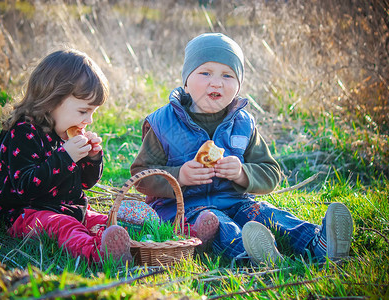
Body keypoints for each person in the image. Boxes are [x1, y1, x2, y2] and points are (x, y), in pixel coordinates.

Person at [130, 33, 354, 265]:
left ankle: (318, 243)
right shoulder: (164, 122)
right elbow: (141, 176)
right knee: (218, 223)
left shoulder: (243, 124)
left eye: (227, 75)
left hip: (236, 201)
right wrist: (180, 176)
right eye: (205, 73)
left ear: (238, 86)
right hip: (184, 209)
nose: (216, 82)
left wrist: (241, 173)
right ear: (186, 81)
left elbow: (270, 173)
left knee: (266, 213)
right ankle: (253, 255)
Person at [0, 48, 132, 265]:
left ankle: (141, 243)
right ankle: (98, 254)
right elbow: (27, 189)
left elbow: (84, 183)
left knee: (111, 221)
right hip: (27, 214)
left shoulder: (64, 130)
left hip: (70, 208)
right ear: (52, 100)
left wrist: (91, 158)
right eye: (83, 111)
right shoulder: (23, 132)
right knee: (64, 227)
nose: (89, 120)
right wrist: (66, 157)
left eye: (93, 112)